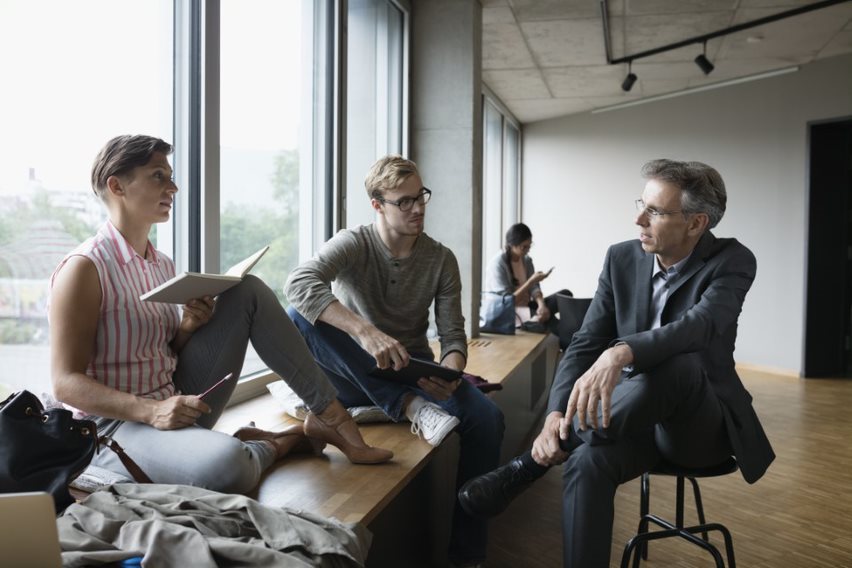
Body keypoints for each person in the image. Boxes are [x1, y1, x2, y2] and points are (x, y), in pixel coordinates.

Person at [458, 159, 775, 567]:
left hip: (696, 428)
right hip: (629, 421)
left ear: (696, 223)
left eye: (655, 211)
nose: (638, 219)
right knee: (586, 463)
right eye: (641, 205)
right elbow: (585, 342)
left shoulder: (732, 260)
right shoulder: (621, 258)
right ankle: (561, 444)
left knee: (680, 365)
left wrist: (621, 351)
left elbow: (701, 326)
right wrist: (554, 414)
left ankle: (529, 465)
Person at [49, 135, 392, 497]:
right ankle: (277, 443)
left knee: (248, 290)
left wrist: (187, 328)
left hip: (173, 401)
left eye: (170, 177)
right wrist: (151, 411)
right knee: (229, 465)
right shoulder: (84, 268)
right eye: (158, 176)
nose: (173, 188)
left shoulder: (160, 263)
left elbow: (160, 352)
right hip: (113, 427)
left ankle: (331, 416)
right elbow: (65, 383)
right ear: (117, 186)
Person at [284, 155, 504, 567]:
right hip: (354, 374)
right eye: (404, 201)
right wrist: (364, 332)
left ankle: (467, 557)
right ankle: (407, 407)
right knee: (297, 313)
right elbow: (298, 283)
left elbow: (453, 337)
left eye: (421, 196)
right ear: (377, 205)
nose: (418, 208)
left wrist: (451, 372)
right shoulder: (354, 242)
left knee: (488, 419)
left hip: (412, 371)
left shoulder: (441, 259)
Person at [484, 222, 570, 331]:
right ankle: (565, 334)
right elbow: (507, 302)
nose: (528, 250)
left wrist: (541, 305)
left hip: (526, 306)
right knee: (548, 319)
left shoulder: (526, 260)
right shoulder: (497, 264)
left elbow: (535, 287)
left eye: (529, 246)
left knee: (565, 295)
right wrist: (530, 282)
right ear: (512, 245)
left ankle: (535, 320)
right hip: (508, 312)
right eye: (524, 247)